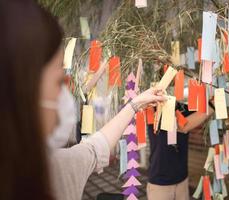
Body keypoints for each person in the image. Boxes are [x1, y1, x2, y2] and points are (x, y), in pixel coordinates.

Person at [0, 1, 166, 200]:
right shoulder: (59, 173)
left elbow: (96, 147)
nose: (65, 93)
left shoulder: (59, 167)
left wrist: (135, 104)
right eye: (59, 81)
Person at [146, 102, 214, 200]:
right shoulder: (154, 106)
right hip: (160, 181)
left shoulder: (183, 107)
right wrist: (213, 104)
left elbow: (202, 111)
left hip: (182, 177)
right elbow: (183, 126)